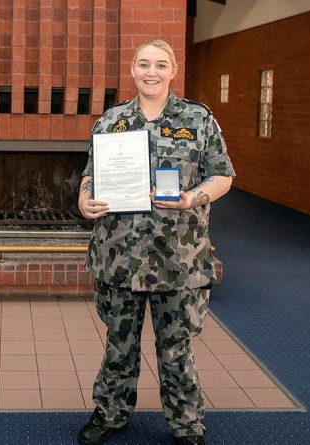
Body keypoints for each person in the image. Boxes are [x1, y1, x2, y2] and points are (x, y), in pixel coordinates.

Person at [76, 39, 235, 445]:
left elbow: (223, 176)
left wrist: (191, 198)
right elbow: (91, 174)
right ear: (132, 70)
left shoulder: (198, 119)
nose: (152, 72)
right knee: (119, 344)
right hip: (120, 257)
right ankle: (111, 413)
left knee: (177, 350)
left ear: (173, 70)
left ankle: (186, 424)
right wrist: (84, 199)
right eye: (144, 64)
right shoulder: (111, 121)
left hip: (178, 260)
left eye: (160, 65)